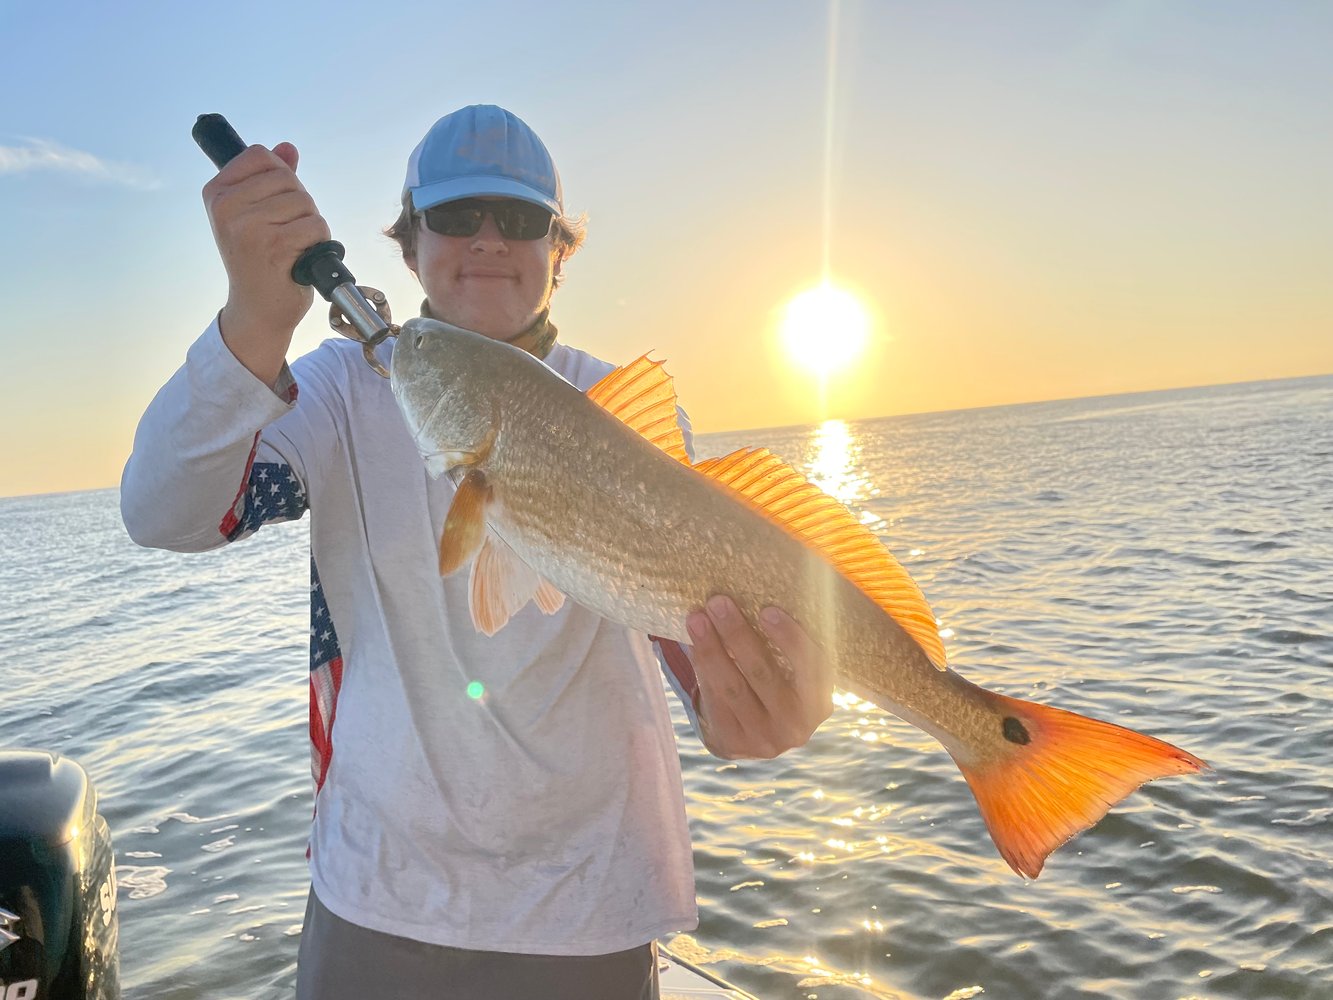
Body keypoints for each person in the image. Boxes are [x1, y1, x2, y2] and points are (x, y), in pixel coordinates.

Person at [122, 104, 834, 999]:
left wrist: (753, 713)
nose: (489, 241)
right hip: (377, 898)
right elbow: (165, 512)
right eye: (456, 219)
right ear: (410, 245)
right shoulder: (335, 389)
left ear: (558, 251)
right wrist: (255, 317)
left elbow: (688, 640)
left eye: (522, 220)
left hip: (591, 908)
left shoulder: (621, 405)